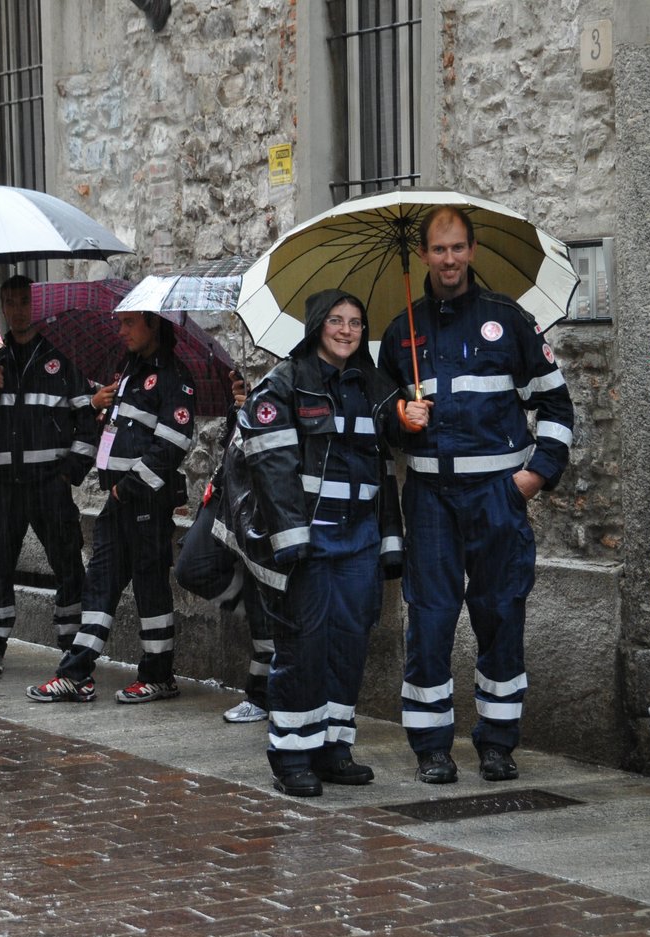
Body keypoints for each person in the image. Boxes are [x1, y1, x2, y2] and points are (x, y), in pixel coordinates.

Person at [378, 205, 575, 785]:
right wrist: (400, 418)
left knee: (500, 616)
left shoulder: (508, 321)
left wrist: (534, 477)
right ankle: (432, 747)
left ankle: (497, 743)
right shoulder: (402, 333)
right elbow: (378, 420)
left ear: (472, 250)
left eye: (458, 247)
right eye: (438, 249)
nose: (449, 259)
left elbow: (557, 407)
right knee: (432, 623)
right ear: (423, 255)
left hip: (498, 498)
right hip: (431, 500)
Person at [236, 290, 404, 796]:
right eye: (337, 321)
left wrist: (410, 418)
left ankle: (333, 747)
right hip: (308, 541)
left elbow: (388, 462)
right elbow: (271, 465)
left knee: (349, 642)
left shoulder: (376, 386)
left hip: (358, 540)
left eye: (356, 322)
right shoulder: (284, 384)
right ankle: (292, 755)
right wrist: (290, 537)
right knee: (303, 645)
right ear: (316, 326)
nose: (347, 330)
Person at [27, 311, 196, 704]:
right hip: (117, 501)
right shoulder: (129, 370)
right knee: (99, 585)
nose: (120, 331)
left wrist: (129, 487)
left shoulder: (173, 376)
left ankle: (158, 675)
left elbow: (172, 444)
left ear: (152, 324)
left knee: (149, 588)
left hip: (145, 503)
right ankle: (77, 674)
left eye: (128, 323)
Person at [0, 275, 97, 677]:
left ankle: (72, 645)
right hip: (3, 485)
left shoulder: (63, 355)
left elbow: (87, 422)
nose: (18, 309)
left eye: (25, 301)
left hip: (49, 483)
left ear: (35, 306)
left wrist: (68, 475)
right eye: (10, 302)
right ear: (3, 308)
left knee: (67, 562)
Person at [173, 369, 275, 724]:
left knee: (262, 585)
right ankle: (271, 615)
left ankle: (261, 694)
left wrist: (261, 409)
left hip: (262, 495)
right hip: (226, 491)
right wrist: (239, 407)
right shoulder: (260, 370)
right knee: (192, 566)